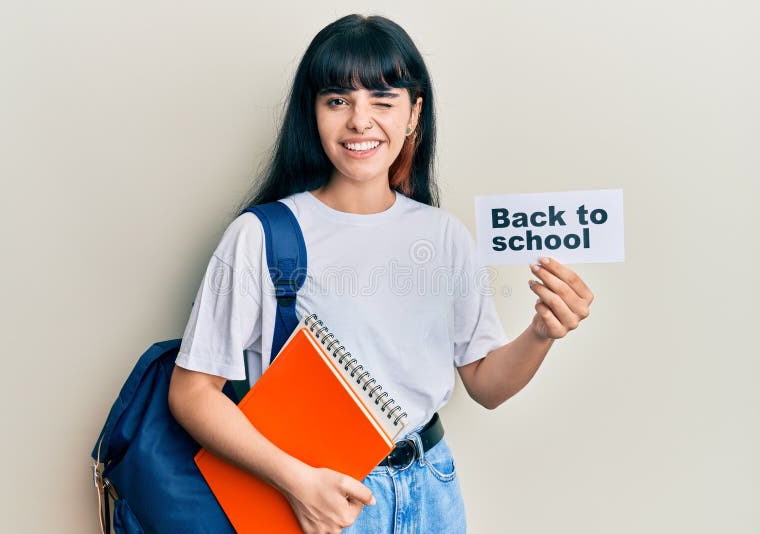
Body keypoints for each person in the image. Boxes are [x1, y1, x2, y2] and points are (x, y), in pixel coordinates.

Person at [168, 13, 594, 534]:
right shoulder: (261, 235)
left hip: (433, 487)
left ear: (414, 114)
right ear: (314, 113)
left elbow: (485, 384)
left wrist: (542, 333)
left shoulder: (445, 236)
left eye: (383, 100)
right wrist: (299, 484)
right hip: (322, 497)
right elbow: (191, 394)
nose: (359, 121)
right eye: (337, 100)